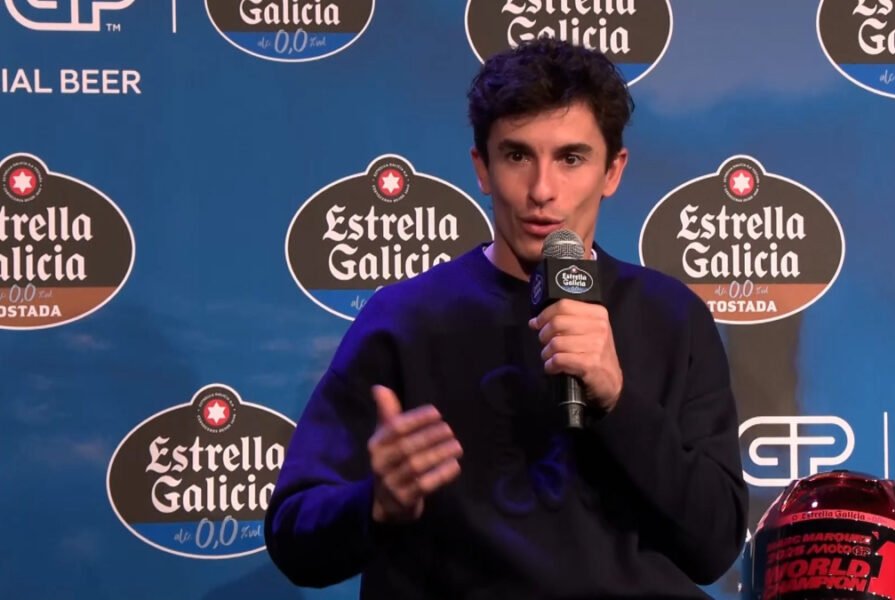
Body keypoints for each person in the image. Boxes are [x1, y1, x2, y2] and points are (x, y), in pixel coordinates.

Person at [264, 37, 748, 598]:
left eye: (571, 158)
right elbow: (293, 538)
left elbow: (714, 546)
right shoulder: (404, 319)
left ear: (613, 171)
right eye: (518, 156)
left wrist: (619, 402)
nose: (542, 191)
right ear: (483, 168)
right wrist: (374, 503)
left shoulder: (673, 316)